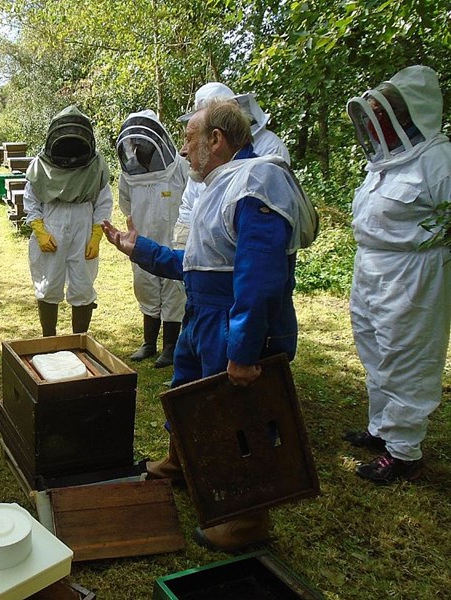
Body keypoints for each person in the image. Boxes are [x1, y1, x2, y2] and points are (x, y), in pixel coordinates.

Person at [103, 97, 315, 552]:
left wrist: (243, 350)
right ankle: (182, 462)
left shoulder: (257, 182)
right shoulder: (221, 183)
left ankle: (249, 520)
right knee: (188, 394)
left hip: (234, 319)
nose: (181, 150)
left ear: (216, 140)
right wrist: (139, 248)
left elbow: (258, 279)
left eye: (188, 139)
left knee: (242, 417)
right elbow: (200, 265)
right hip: (204, 314)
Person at [343, 65, 451, 484]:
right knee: (374, 347)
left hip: (415, 274)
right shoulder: (384, 162)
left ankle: (405, 451)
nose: (379, 122)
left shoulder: (439, 160)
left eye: (387, 114)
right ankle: (381, 428)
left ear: (410, 114)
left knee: (407, 355)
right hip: (371, 265)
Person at [24, 105, 113, 336]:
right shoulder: (40, 165)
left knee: (83, 284)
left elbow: (103, 202)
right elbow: (31, 198)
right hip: (51, 220)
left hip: (83, 223)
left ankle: (79, 341)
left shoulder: (96, 165)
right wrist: (39, 229)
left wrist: (96, 234)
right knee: (48, 282)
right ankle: (48, 339)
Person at [172, 82, 290, 249]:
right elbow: (191, 200)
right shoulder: (203, 158)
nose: (184, 150)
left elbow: (262, 235)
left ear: (216, 138)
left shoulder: (270, 146)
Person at [116, 110, 188, 367]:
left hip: (173, 238)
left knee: (173, 291)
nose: (138, 146)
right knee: (145, 287)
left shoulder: (179, 165)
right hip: (142, 238)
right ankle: (149, 343)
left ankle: (170, 347)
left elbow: (191, 197)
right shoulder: (129, 173)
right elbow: (125, 204)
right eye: (135, 141)